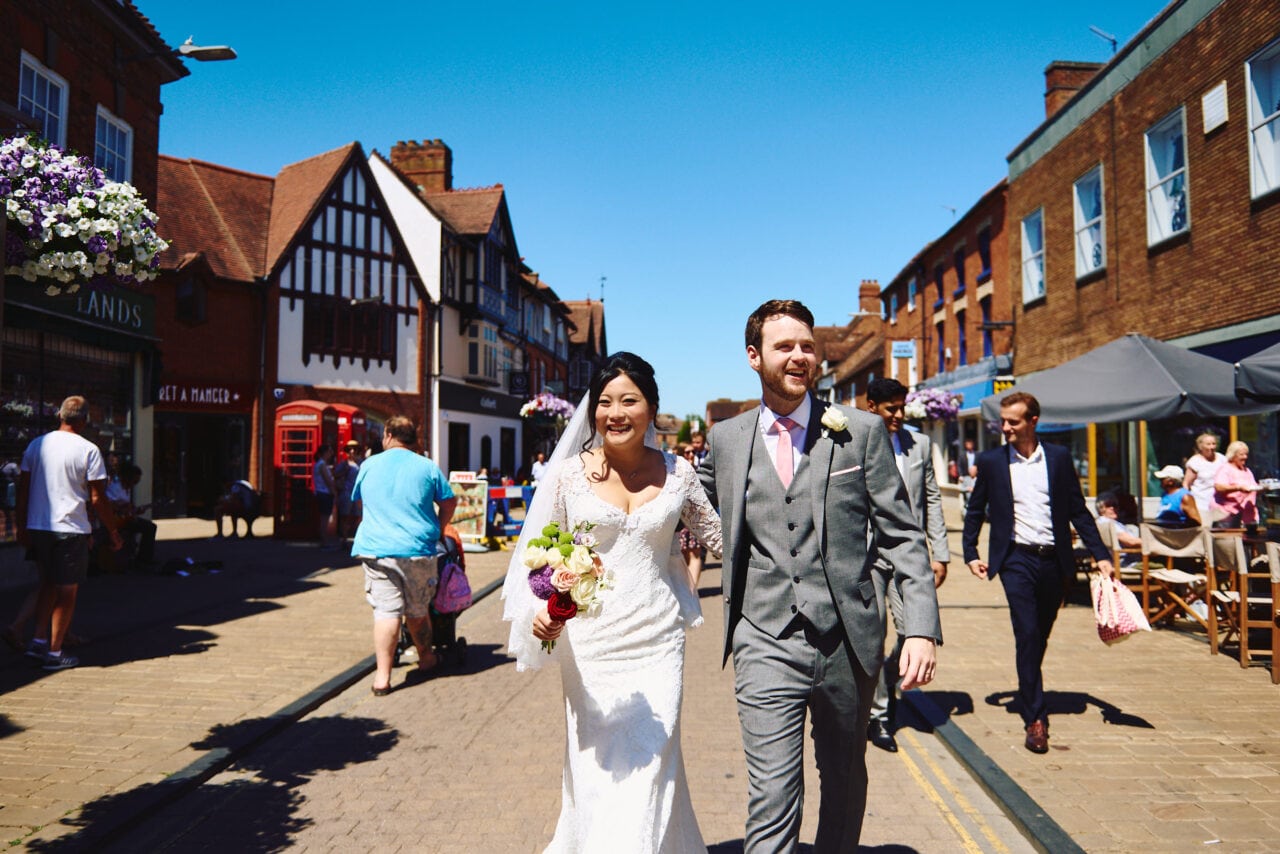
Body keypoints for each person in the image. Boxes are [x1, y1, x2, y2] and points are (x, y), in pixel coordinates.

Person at [698, 300, 940, 852]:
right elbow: (682, 510)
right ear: (754, 357)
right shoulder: (727, 439)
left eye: (807, 346)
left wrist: (919, 626)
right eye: (785, 346)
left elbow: (903, 534)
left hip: (848, 639)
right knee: (773, 793)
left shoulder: (861, 432)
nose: (800, 356)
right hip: (763, 636)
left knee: (845, 779)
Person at [502, 352, 722, 852]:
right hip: (592, 643)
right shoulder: (566, 478)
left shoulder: (680, 474)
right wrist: (542, 608)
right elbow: (539, 556)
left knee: (652, 762)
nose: (615, 413)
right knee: (599, 769)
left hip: (658, 637)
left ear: (651, 408)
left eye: (629, 400)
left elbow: (720, 537)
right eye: (604, 402)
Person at [962, 391, 1114, 754]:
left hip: (1054, 561)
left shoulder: (1059, 459)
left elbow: (1078, 510)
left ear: (1033, 421)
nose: (1006, 427)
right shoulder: (992, 461)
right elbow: (974, 510)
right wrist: (970, 552)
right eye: (1003, 420)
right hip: (1015, 559)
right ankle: (1036, 718)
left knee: (1039, 636)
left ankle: (1028, 682)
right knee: (1027, 633)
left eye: (1013, 421)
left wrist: (1101, 554)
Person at [863, 377, 949, 754]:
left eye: (902, 408)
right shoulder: (854, 442)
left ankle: (889, 684)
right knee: (874, 633)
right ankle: (879, 714)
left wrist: (940, 552)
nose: (899, 415)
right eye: (890, 409)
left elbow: (931, 499)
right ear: (871, 407)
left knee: (913, 629)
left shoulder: (920, 445)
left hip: (908, 555)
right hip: (866, 555)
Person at [351, 415, 457, 695]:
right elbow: (449, 501)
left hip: (377, 548)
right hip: (418, 548)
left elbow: (360, 501)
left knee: (386, 612)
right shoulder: (426, 466)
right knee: (418, 610)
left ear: (387, 435)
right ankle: (427, 659)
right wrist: (441, 527)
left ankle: (382, 679)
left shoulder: (369, 465)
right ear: (414, 438)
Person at [16, 396, 121, 671]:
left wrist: (20, 526)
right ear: (84, 419)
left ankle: (38, 641)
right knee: (67, 593)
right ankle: (54, 652)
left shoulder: (36, 445)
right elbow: (98, 499)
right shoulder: (88, 450)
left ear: (60, 415)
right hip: (69, 529)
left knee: (48, 584)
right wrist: (113, 530)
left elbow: (23, 490)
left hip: (39, 526)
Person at [108, 463, 156, 570]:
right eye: (134, 481)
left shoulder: (127, 489)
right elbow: (108, 504)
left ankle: (144, 558)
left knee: (150, 526)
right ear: (128, 477)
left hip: (125, 519)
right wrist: (122, 509)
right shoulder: (115, 487)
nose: (135, 484)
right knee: (149, 527)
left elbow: (128, 509)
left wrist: (136, 511)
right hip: (116, 521)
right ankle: (143, 559)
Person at [1214, 441, 1262, 529]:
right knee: (1232, 541)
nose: (1245, 457)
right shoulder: (1225, 469)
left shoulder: (1246, 470)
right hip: (1230, 516)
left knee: (1250, 542)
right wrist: (1238, 488)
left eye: (1246, 454)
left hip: (1249, 516)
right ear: (1233, 455)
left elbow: (1253, 490)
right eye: (1242, 454)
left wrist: (1262, 488)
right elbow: (1219, 487)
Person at [1183, 432, 1225, 525]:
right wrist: (1188, 503)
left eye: (1213, 444)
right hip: (1201, 503)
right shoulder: (1195, 462)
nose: (1211, 447)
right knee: (1205, 531)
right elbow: (1186, 484)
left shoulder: (1222, 459)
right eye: (1208, 444)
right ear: (1200, 446)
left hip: (1219, 504)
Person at [1095, 492, 1141, 565]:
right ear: (1100, 508)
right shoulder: (1110, 523)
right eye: (1108, 505)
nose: (1112, 508)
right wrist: (1150, 542)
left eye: (1115, 505)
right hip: (1126, 562)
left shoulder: (1100, 521)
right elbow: (1130, 541)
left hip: (1112, 559)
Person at [335, 440, 362, 539]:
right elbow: (335, 475)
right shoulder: (344, 464)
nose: (352, 451)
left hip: (358, 493)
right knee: (345, 516)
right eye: (350, 449)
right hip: (346, 492)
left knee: (357, 516)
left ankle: (353, 535)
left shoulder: (361, 463)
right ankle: (344, 538)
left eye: (354, 449)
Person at [312, 445, 337, 548]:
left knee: (324, 518)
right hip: (325, 493)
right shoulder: (322, 465)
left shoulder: (320, 464)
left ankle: (324, 541)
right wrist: (334, 493)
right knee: (324, 519)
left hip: (320, 493)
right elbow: (328, 481)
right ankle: (324, 542)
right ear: (324, 453)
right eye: (329, 452)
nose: (331, 454)